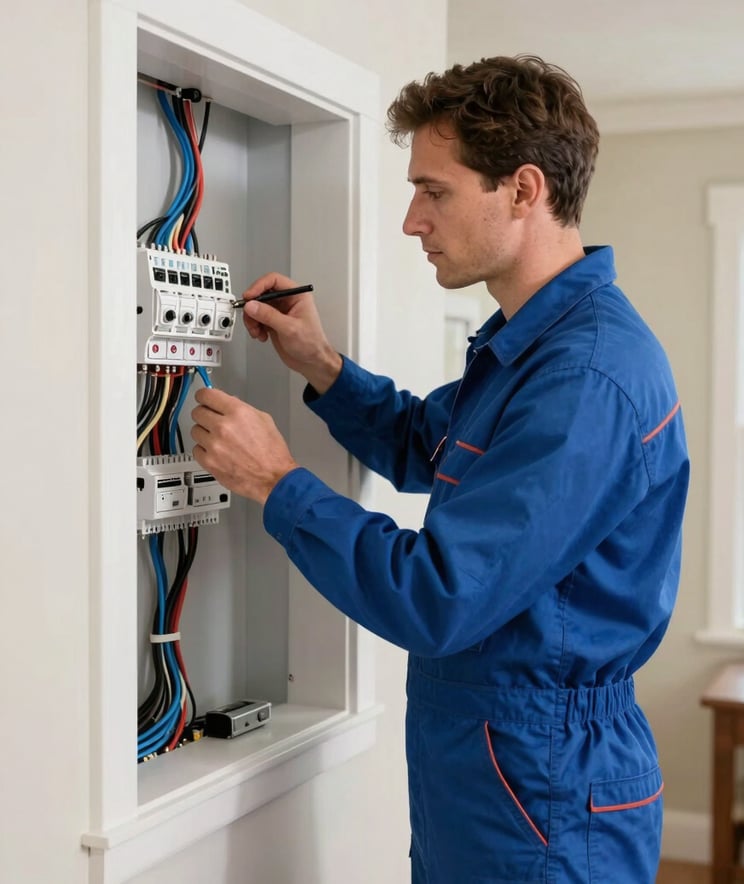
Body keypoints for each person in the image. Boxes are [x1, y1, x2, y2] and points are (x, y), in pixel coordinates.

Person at [190, 55, 689, 884]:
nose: (411, 221)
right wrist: (321, 365)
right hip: (500, 767)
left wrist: (279, 485)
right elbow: (431, 442)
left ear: (523, 190)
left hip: (545, 787)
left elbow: (441, 597)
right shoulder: (534, 346)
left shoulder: (585, 379)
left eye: (435, 190)